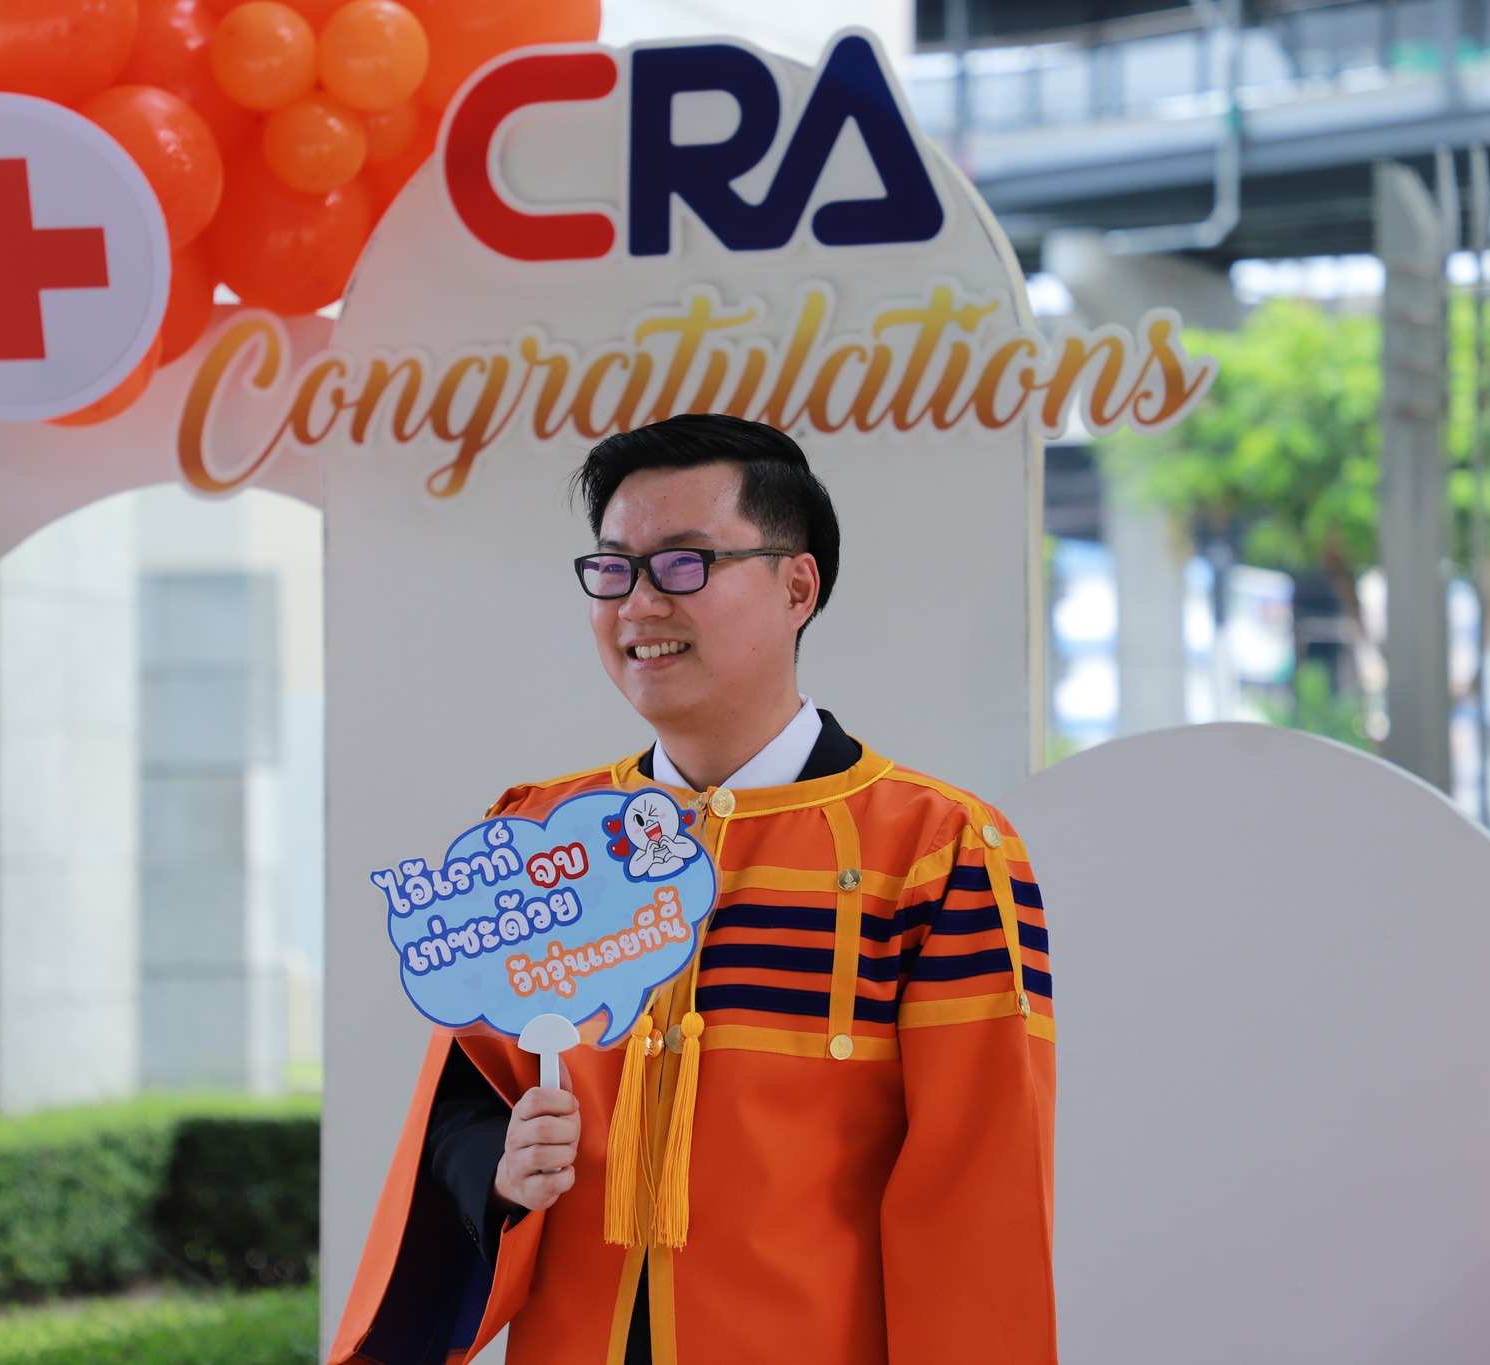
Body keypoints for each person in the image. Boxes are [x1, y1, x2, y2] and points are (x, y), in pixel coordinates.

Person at [331, 414, 1057, 1365]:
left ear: (797, 586)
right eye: (614, 568)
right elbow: (464, 1103)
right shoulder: (538, 840)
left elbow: (977, 1196)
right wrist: (501, 1171)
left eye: (684, 564)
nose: (639, 603)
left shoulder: (938, 851)